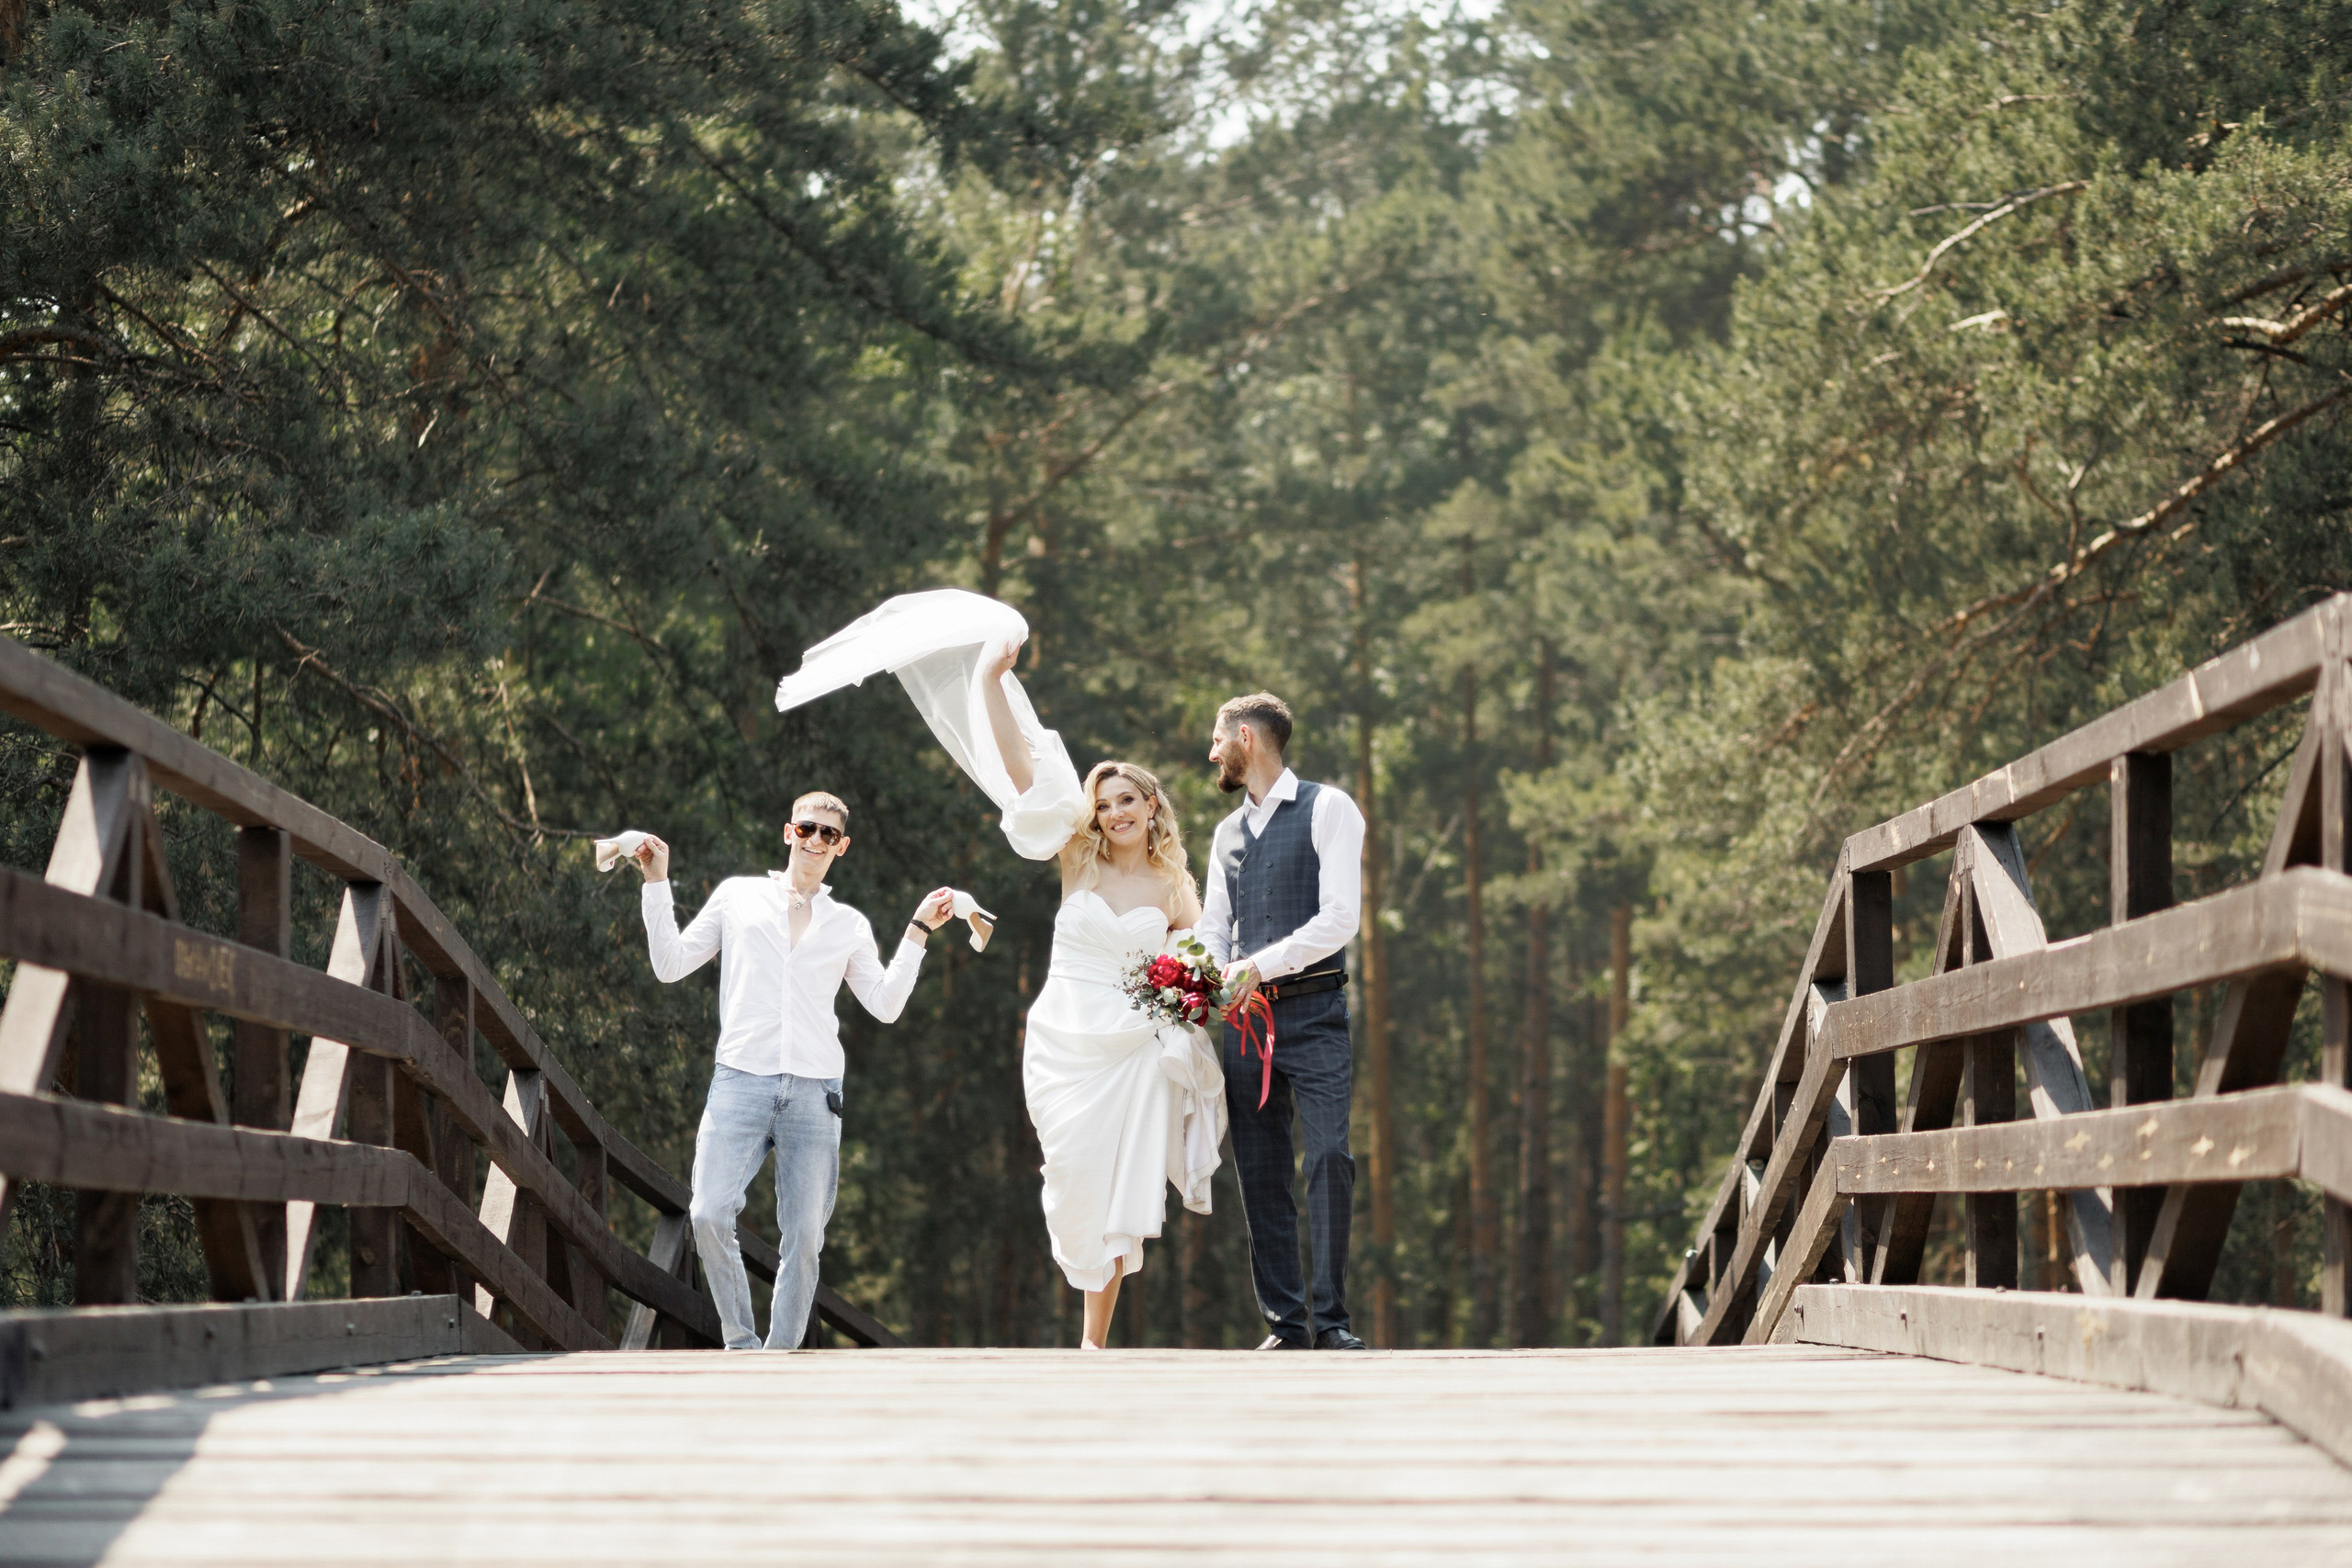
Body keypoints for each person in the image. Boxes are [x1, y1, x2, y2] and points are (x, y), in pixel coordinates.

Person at [973, 637, 1227, 1350]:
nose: (1114, 812)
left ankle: (1093, 1344)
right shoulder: (1076, 858)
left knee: (1117, 1188)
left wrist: (1193, 992)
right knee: (1070, 1175)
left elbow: (1205, 966)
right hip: (1063, 1042)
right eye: (1104, 802)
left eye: (1127, 800)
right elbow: (1020, 770)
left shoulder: (1174, 886)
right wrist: (994, 678)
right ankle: (1087, 1323)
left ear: (1152, 807)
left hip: (1133, 1052)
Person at [628, 797, 954, 1349]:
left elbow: (885, 1004)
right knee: (708, 1212)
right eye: (807, 828)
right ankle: (740, 1343)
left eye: (828, 833)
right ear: (788, 832)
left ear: (841, 846)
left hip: (815, 1091)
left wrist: (918, 930)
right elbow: (670, 964)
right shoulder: (738, 895)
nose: (815, 839)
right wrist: (657, 883)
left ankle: (779, 1360)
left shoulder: (848, 924)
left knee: (803, 1238)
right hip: (739, 1078)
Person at [1200, 693, 1368, 1350]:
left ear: (1246, 735)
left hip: (1317, 1010)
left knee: (1329, 1157)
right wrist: (1213, 978)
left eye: (1218, 739)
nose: (1212, 753)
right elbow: (1215, 926)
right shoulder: (1224, 834)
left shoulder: (1330, 808)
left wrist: (1255, 967)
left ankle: (1333, 1322)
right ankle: (1286, 1324)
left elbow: (1338, 920)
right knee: (1260, 1168)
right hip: (1244, 1022)